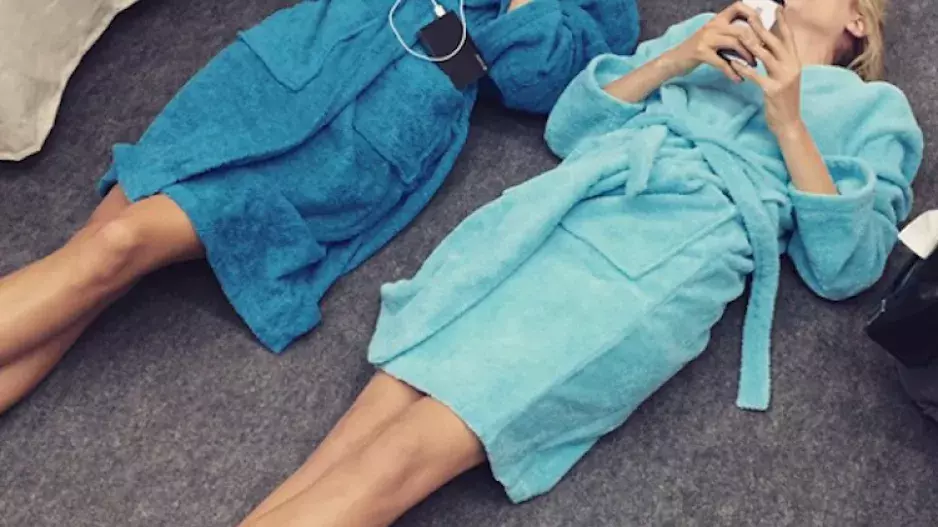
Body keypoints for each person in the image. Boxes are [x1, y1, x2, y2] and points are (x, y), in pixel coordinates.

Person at [237, 0, 924, 525]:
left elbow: (846, 267)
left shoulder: (877, 111)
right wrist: (679, 56)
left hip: (654, 271)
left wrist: (789, 121)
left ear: (857, 22)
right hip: (551, 221)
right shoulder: (705, 37)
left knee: (401, 459)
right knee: (350, 437)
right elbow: (571, 129)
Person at [0, 0, 640, 414]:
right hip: (283, 64)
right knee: (101, 250)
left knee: (118, 245)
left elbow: (535, 82)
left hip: (367, 133)